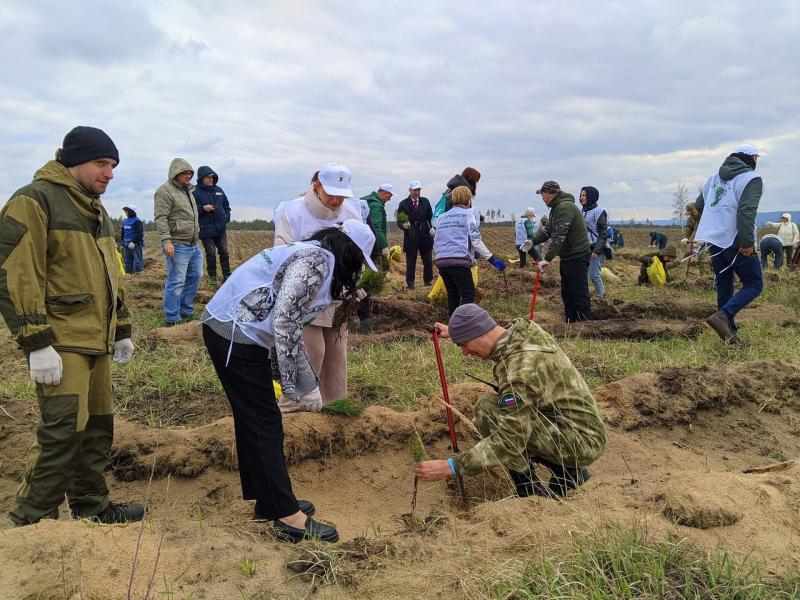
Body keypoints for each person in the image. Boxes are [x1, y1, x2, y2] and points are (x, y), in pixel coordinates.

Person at [0, 126, 143, 526]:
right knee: (63, 431)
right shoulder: (35, 200)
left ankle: (91, 506)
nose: (110, 173)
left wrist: (123, 327)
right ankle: (31, 521)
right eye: (101, 163)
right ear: (74, 161)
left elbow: (111, 274)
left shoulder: (96, 209)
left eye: (113, 165)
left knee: (98, 429)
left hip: (96, 340)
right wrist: (36, 342)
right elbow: (15, 273)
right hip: (61, 342)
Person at [202, 220, 376, 543]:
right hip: (234, 332)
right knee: (264, 421)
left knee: (256, 418)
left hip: (234, 330)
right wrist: (304, 385)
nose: (359, 272)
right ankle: (287, 515)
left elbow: (288, 316)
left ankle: (268, 500)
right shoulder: (316, 262)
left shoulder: (314, 255)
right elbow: (285, 321)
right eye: (361, 264)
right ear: (351, 253)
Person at [414, 304, 606, 498]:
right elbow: (494, 341)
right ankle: (569, 474)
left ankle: (530, 489)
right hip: (578, 426)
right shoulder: (524, 333)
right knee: (489, 406)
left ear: (480, 334)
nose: (464, 352)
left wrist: (453, 466)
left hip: (581, 442)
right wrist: (457, 332)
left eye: (464, 345)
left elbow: (510, 440)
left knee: (489, 413)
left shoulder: (519, 373)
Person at [273, 163, 362, 404]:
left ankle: (334, 407)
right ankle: (295, 409)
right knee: (312, 352)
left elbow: (359, 250)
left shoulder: (352, 212)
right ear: (317, 186)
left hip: (338, 295)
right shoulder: (292, 212)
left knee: (336, 354)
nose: (336, 201)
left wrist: (355, 283)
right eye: (331, 193)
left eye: (341, 195)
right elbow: (281, 255)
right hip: (306, 297)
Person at [695, 144, 764, 342]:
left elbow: (698, 208)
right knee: (754, 283)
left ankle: (729, 335)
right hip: (735, 238)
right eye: (756, 158)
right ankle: (723, 316)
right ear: (750, 158)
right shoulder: (751, 178)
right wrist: (746, 242)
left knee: (725, 283)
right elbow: (746, 211)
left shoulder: (713, 179)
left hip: (714, 241)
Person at [433, 186, 505, 315]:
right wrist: (492, 260)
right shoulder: (468, 215)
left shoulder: (441, 218)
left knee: (453, 296)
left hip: (442, 262)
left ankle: (451, 327)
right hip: (459, 261)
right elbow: (476, 240)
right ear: (468, 200)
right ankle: (464, 327)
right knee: (467, 294)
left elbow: (436, 240)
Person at [529, 181, 592, 322]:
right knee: (567, 292)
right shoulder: (556, 208)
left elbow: (559, 236)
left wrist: (547, 258)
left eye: (543, 195)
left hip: (577, 256)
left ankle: (585, 325)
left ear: (549, 195)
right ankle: (571, 322)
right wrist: (532, 241)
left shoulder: (564, 208)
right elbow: (548, 230)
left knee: (578, 292)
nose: (542, 198)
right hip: (568, 257)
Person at [154, 158, 203, 326]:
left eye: (190, 173)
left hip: (193, 244)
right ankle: (172, 317)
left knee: (196, 276)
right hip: (177, 243)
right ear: (175, 173)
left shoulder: (188, 191)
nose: (188, 176)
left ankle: (186, 310)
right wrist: (167, 242)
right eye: (184, 173)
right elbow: (161, 218)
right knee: (176, 281)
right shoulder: (165, 191)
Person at [193, 165, 232, 286]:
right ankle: (212, 278)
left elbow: (227, 206)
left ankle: (227, 275)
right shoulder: (194, 192)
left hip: (220, 228)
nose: (211, 179)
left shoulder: (219, 190)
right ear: (201, 178)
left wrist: (226, 218)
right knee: (210, 254)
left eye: (212, 177)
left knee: (224, 252)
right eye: (208, 177)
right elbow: (191, 210)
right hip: (206, 229)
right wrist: (203, 208)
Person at [396, 181, 434, 289]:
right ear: (410, 190)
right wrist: (404, 226)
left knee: (427, 261)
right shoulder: (403, 204)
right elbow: (400, 220)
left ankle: (427, 282)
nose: (417, 192)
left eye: (419, 190)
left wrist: (432, 228)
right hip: (411, 235)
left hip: (425, 234)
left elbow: (430, 218)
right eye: (415, 190)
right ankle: (410, 284)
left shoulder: (425, 202)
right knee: (411, 262)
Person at [579, 186, 608, 298]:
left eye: (584, 195)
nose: (581, 197)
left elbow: (603, 233)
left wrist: (596, 250)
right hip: (584, 248)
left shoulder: (599, 212)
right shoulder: (581, 211)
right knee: (583, 275)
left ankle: (601, 297)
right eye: (581, 195)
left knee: (594, 275)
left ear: (592, 196)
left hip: (597, 248)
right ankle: (584, 296)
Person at [680, 202, 707, 275]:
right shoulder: (691, 218)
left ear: (696, 209)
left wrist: (699, 240)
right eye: (689, 213)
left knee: (705, 258)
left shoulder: (705, 216)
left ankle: (708, 275)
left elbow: (703, 229)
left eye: (692, 212)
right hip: (698, 241)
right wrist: (685, 237)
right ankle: (703, 276)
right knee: (699, 258)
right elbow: (688, 227)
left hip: (708, 240)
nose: (691, 214)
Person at [120, 204, 144, 274]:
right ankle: (128, 273)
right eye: (125, 211)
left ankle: (140, 274)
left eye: (127, 211)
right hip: (126, 244)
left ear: (131, 211)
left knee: (137, 260)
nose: (126, 213)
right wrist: (122, 242)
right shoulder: (125, 221)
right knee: (127, 260)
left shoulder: (137, 221)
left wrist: (134, 242)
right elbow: (123, 232)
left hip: (135, 244)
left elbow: (140, 234)